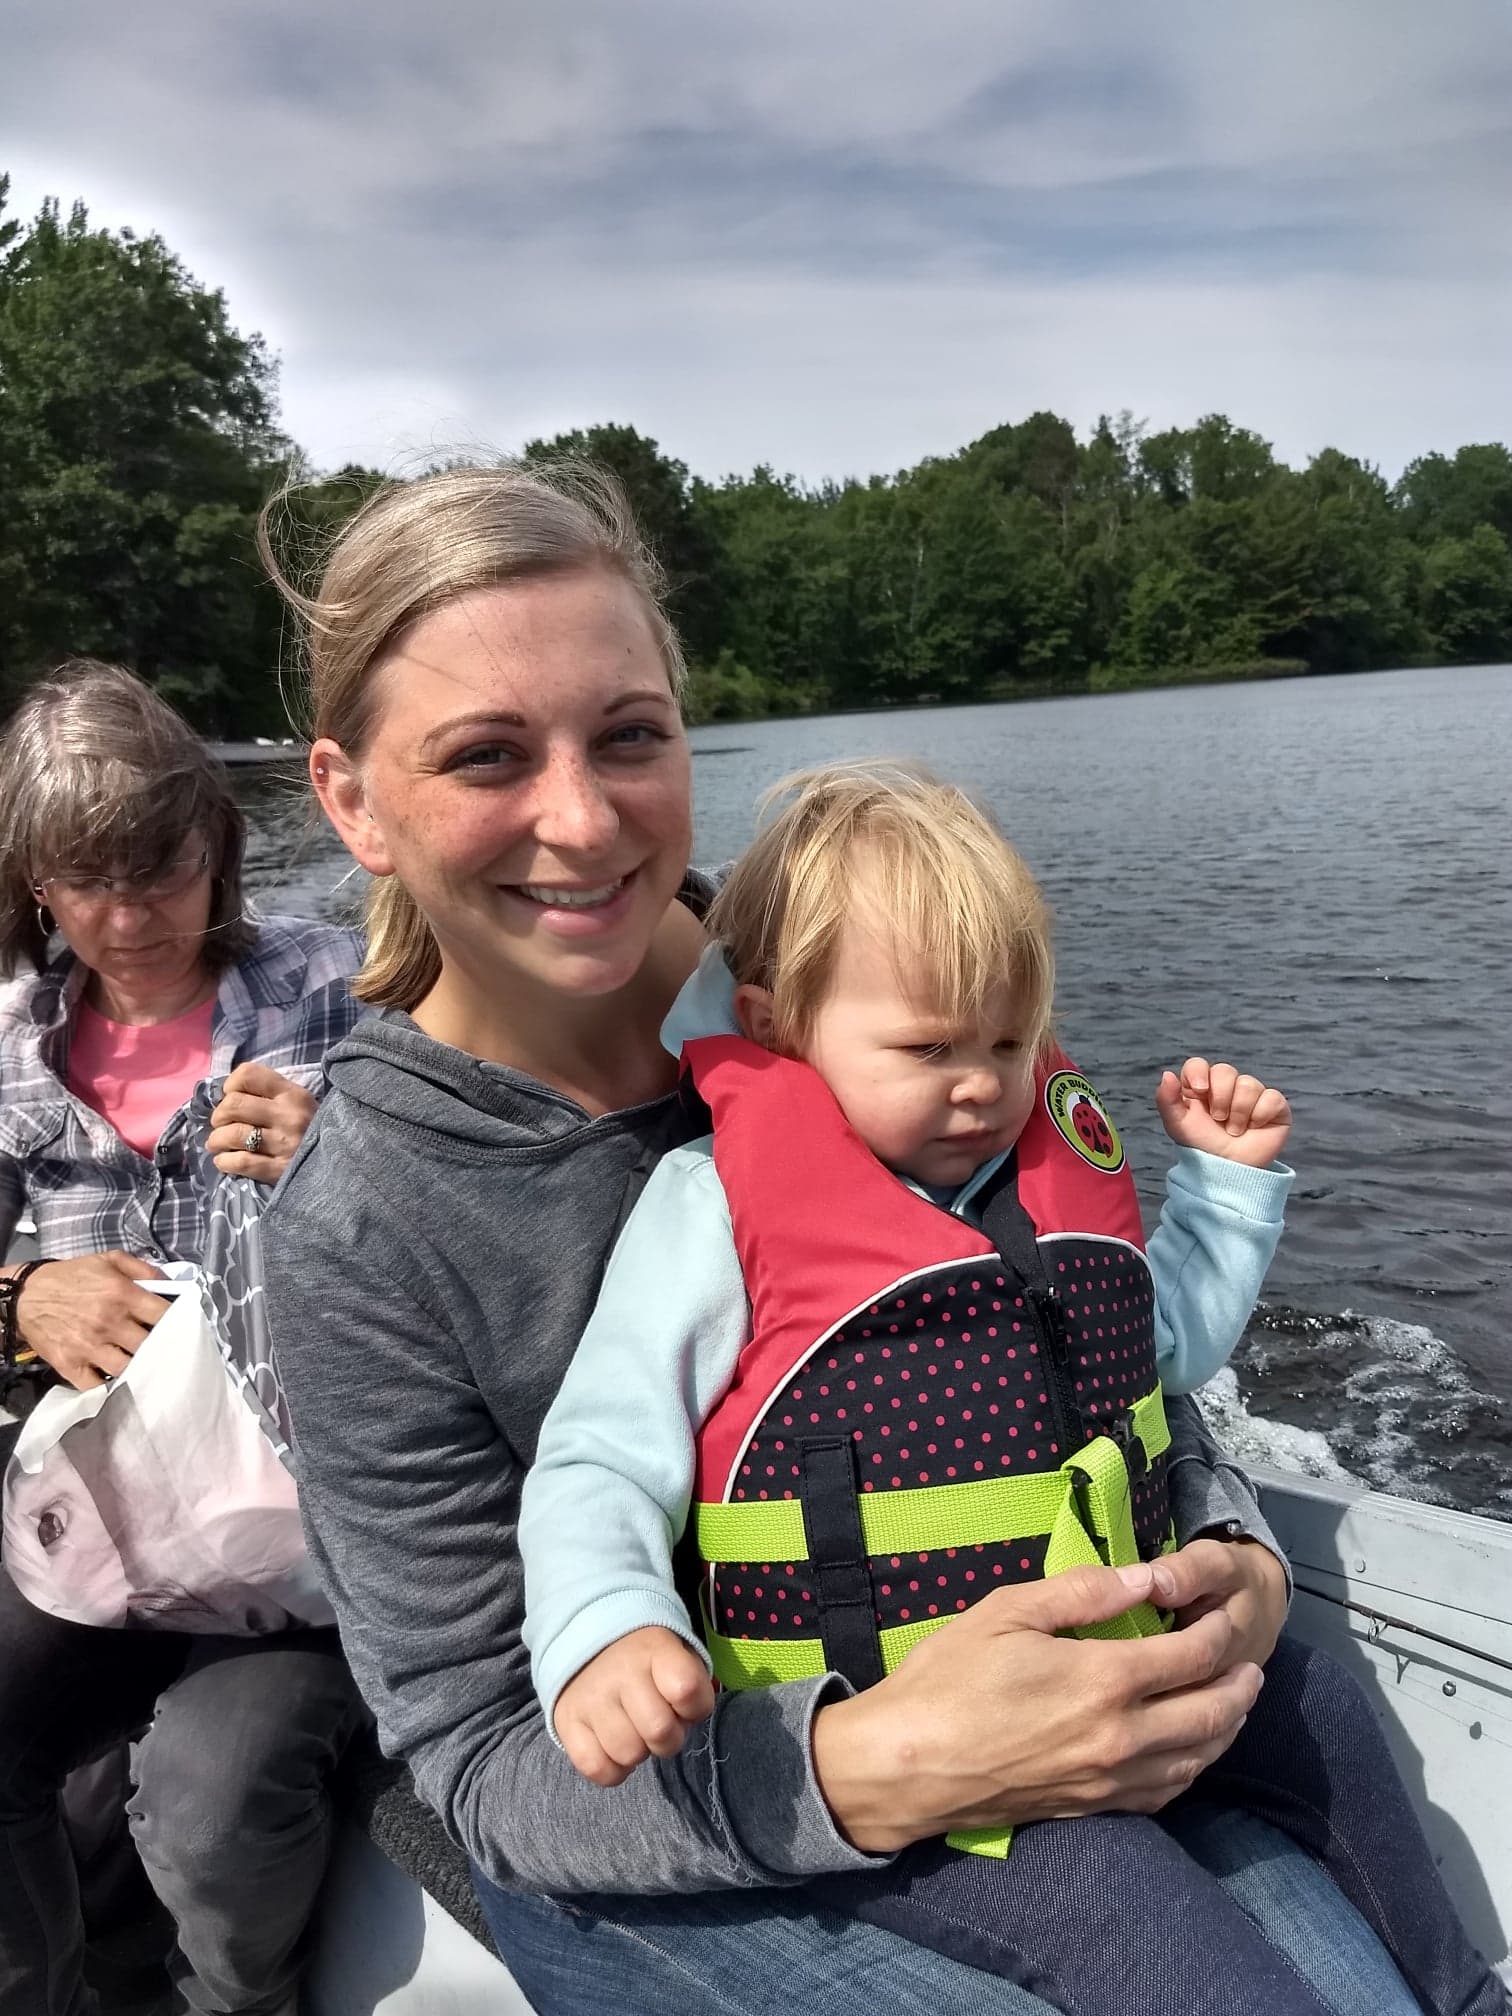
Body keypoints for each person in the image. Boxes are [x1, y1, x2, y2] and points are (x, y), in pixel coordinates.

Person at [260, 456, 1445, 2016]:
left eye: (631, 734)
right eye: (487, 754)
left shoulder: (885, 963)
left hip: (1054, 1656)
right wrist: (871, 1763)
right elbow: (480, 1750)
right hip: (681, 1827)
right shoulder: (359, 1221)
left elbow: (1078, 1333)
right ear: (351, 798)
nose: (582, 817)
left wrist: (1228, 1548)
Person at [519, 762, 1504, 2015]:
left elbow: (1162, 1352)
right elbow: (602, 1457)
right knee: (1150, 1926)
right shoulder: (711, 1206)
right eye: (927, 1048)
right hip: (931, 1743)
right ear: (775, 1024)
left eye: (1007, 1040)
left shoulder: (1033, 1177)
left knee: (1322, 1709)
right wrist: (609, 1627)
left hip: (1119, 1660)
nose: (982, 1084)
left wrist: (1224, 1192)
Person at [0, 661, 367, 2016]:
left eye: (160, 869)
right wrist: (19, 1299)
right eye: (84, 881)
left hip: (303, 1545)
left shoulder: (341, 985)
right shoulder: (11, 1041)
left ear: (215, 843)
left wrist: (346, 1159)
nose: (128, 915)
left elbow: (476, 1210)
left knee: (208, 1802)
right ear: (37, 885)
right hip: (103, 1530)